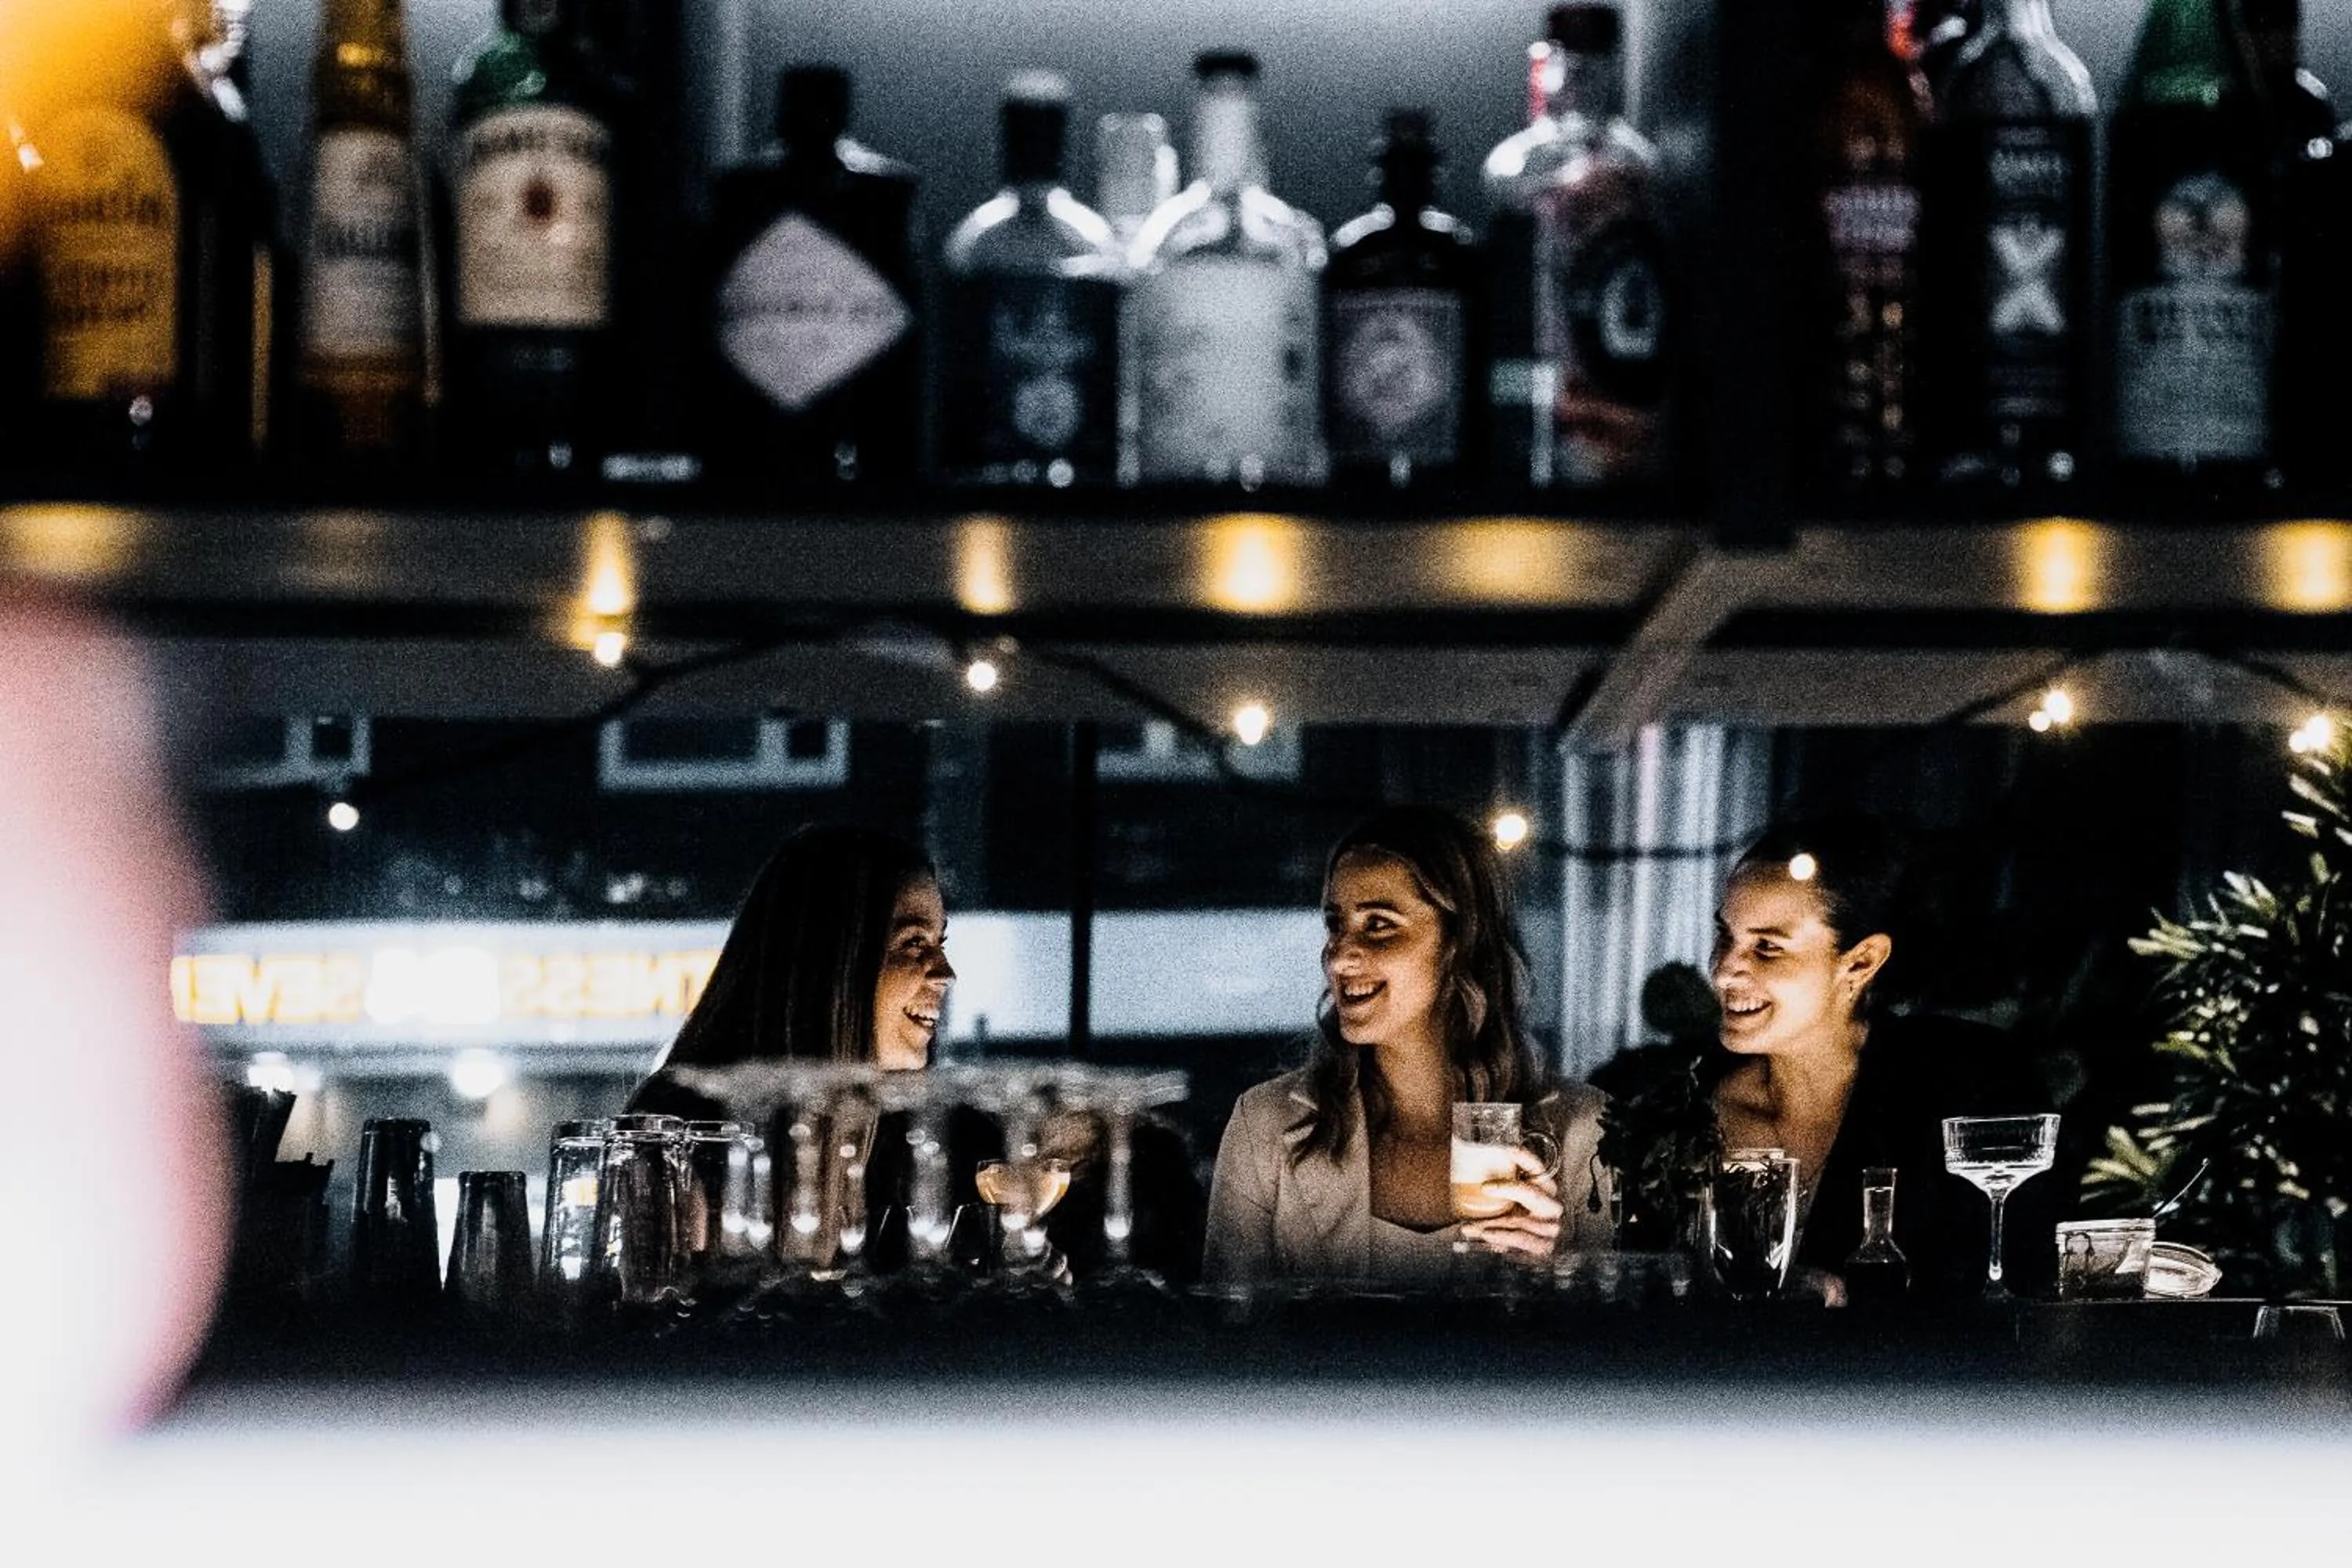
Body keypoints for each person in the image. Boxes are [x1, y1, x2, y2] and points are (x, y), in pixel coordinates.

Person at [1204, 805, 1613, 1287]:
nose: (1339, 956)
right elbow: (1225, 1346)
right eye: (1336, 924)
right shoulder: (1265, 1126)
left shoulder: (1585, 1131)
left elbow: (1609, 1350)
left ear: (1458, 942)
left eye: (1378, 924)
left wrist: (1555, 1270)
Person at [1704, 816, 2056, 1299]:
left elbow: (2021, 1286)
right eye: (1726, 937)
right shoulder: (1689, 1104)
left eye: (1767, 947)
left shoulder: (1967, 1084)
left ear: (1861, 961)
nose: (1724, 970)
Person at [629, 823, 955, 1269]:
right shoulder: (686, 1128)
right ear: (833, 958)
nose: (944, 973)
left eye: (940, 943)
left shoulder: (906, 1135)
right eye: (914, 941)